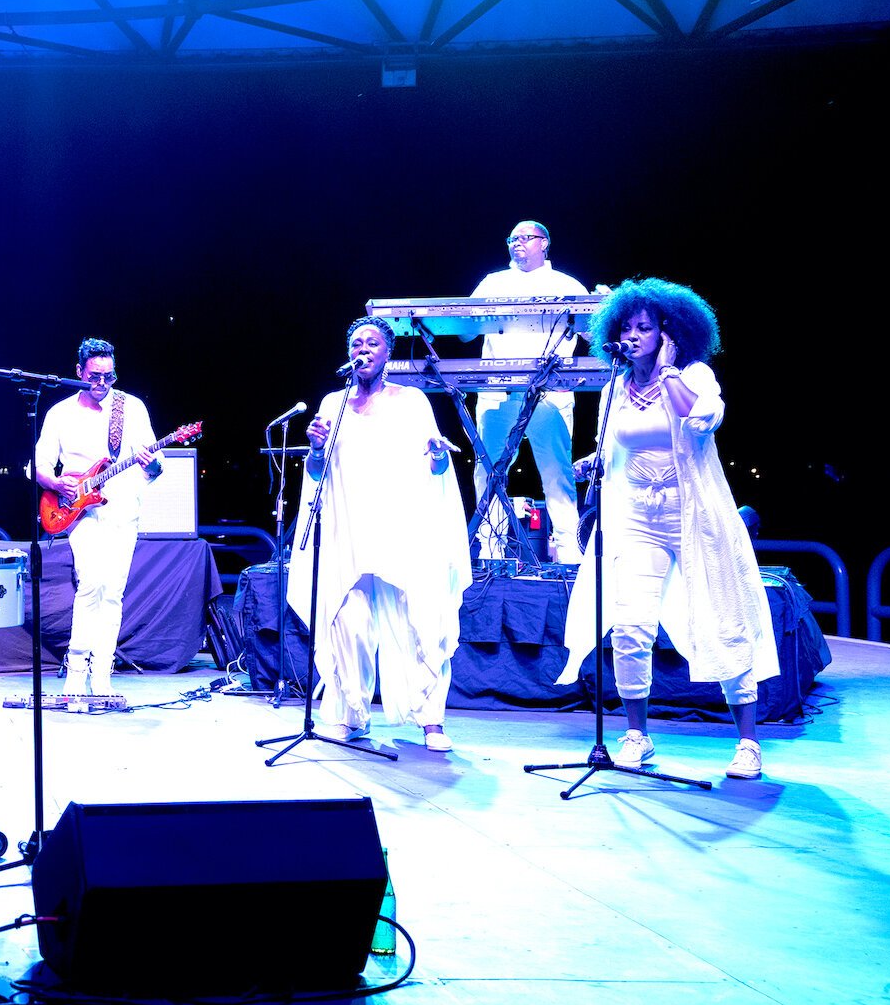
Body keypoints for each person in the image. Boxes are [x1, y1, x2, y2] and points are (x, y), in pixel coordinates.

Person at [557, 279, 776, 780]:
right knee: (631, 625)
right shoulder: (615, 387)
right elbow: (619, 445)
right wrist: (593, 462)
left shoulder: (693, 375)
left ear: (668, 333)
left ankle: (747, 742)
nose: (632, 337)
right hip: (635, 517)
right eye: (626, 328)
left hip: (692, 514)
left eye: (644, 328)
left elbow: (698, 420)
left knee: (722, 622)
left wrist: (671, 369)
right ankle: (637, 734)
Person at [291, 316, 471, 751]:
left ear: (388, 353)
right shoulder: (332, 404)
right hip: (348, 528)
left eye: (372, 343)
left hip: (402, 526)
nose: (363, 350)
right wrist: (314, 450)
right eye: (356, 343)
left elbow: (438, 464)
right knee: (347, 619)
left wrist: (439, 459)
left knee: (421, 619)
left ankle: (431, 721)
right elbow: (317, 473)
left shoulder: (410, 401)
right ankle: (352, 715)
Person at [35, 338, 160, 700]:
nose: (102, 384)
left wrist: (151, 462)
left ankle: (102, 672)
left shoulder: (131, 409)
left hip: (124, 508)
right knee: (91, 583)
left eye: (109, 376)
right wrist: (56, 482)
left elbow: (154, 466)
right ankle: (76, 671)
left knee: (113, 592)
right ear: (79, 372)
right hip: (80, 510)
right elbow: (40, 464)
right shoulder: (60, 413)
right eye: (94, 376)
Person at [469, 221, 593, 563]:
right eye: (512, 238)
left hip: (550, 392)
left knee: (556, 472)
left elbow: (593, 333)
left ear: (545, 243)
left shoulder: (566, 284)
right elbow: (465, 329)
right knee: (490, 470)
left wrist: (604, 307)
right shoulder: (493, 282)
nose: (517, 243)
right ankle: (492, 556)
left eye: (526, 237)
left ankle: (569, 557)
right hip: (497, 391)